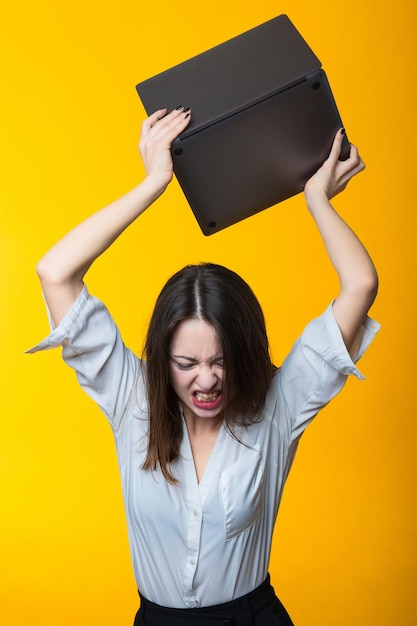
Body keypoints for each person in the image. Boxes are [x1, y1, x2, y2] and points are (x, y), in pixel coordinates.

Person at [28, 106, 379, 625]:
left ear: (244, 354)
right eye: (187, 363)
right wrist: (152, 184)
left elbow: (360, 287)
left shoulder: (277, 411)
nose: (207, 379)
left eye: (221, 361)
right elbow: (54, 273)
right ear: (163, 362)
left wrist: (317, 201)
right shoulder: (133, 404)